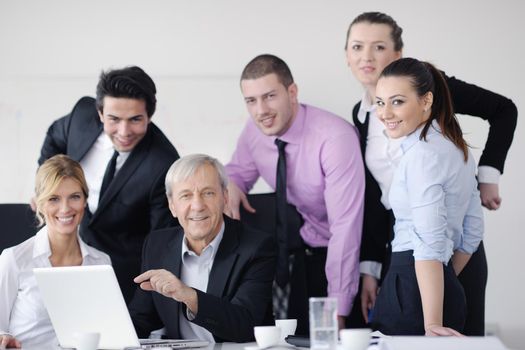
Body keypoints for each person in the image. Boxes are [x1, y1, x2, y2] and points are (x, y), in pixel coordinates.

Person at [345, 12, 517, 334]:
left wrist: (486, 179)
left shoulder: (433, 87)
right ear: (347, 56)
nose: (366, 56)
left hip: (437, 247)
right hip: (413, 249)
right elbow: (373, 198)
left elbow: (504, 110)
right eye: (357, 47)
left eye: (378, 46)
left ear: (398, 54)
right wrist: (371, 267)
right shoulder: (363, 115)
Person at [225, 54, 364, 334]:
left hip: (350, 258)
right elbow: (238, 171)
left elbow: (345, 228)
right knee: (299, 340)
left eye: (269, 96)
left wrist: (337, 306)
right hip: (304, 252)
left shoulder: (334, 138)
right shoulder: (255, 131)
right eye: (251, 100)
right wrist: (232, 185)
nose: (261, 109)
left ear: (292, 92)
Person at [38, 66, 180, 304]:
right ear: (100, 113)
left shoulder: (164, 163)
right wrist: (44, 186)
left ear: (149, 116)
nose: (124, 132)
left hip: (120, 272)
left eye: (135, 120)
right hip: (61, 253)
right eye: (114, 119)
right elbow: (54, 136)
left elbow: (160, 241)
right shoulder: (81, 115)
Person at [371, 57, 483, 335]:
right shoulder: (460, 150)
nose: (385, 113)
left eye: (397, 101)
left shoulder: (422, 155)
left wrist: (431, 321)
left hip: (411, 293)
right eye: (380, 102)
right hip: (436, 286)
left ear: (426, 100)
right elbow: (472, 233)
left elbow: (428, 242)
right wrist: (444, 280)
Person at [128, 154, 276, 342]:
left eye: (208, 193)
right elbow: (141, 318)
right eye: (186, 195)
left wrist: (188, 296)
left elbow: (244, 325)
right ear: (172, 206)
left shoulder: (256, 247)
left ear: (225, 197)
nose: (197, 206)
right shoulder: (157, 245)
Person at [0, 155, 111, 348]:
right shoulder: (15, 260)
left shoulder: (100, 263)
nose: (65, 208)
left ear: (85, 200)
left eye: (74, 197)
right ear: (39, 204)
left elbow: (109, 334)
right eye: (54, 199)